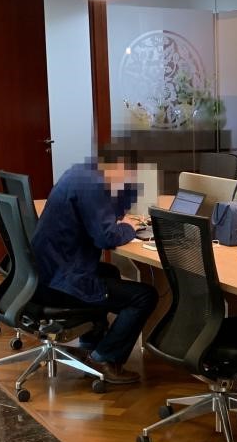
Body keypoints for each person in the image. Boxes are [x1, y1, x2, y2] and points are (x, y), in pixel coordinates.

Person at [31, 150, 158, 386]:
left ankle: (91, 345)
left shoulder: (81, 174)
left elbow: (104, 214)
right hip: (61, 281)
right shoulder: (93, 186)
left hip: (45, 272)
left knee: (110, 273)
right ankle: (105, 359)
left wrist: (118, 213)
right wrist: (129, 228)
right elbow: (106, 238)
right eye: (129, 176)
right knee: (145, 296)